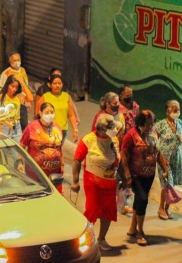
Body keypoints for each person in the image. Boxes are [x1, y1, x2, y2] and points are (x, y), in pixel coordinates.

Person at [71, 114, 122, 251]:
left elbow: (118, 159)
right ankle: (84, 239)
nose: (114, 130)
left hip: (110, 182)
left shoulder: (114, 139)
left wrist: (123, 176)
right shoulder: (88, 140)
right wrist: (75, 181)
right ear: (102, 128)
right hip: (93, 181)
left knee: (108, 210)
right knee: (92, 208)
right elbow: (77, 160)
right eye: (110, 127)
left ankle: (101, 239)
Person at [122, 110, 169, 246]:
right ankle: (140, 232)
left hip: (149, 174)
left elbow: (157, 152)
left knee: (139, 200)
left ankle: (132, 228)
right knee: (143, 199)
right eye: (147, 124)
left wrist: (165, 169)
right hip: (136, 174)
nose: (149, 127)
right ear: (140, 123)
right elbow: (124, 155)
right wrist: (127, 175)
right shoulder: (131, 135)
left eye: (151, 124)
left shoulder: (153, 134)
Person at [20, 102, 64, 192]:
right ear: (40, 113)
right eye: (47, 112)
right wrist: (19, 162)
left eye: (52, 112)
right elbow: (22, 145)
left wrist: (62, 164)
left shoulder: (57, 127)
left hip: (54, 173)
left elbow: (60, 148)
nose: (50, 115)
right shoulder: (31, 127)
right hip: (35, 173)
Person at [154, 100, 182, 220]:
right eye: (175, 109)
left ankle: (166, 208)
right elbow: (155, 141)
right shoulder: (160, 125)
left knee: (172, 184)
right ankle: (161, 207)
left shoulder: (179, 123)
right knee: (166, 184)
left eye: (178, 109)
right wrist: (159, 157)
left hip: (176, 159)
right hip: (164, 159)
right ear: (168, 111)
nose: (177, 112)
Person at [36, 75, 78, 142]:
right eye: (55, 83)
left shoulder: (67, 97)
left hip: (63, 130)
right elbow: (38, 114)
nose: (57, 86)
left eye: (59, 83)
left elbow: (71, 115)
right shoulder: (45, 97)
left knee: (59, 148)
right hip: (48, 130)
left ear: (62, 84)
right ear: (50, 85)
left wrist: (75, 130)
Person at [0, 52, 33, 130]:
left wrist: (28, 101)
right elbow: (1, 89)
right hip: (10, 103)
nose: (17, 62)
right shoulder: (6, 73)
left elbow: (26, 86)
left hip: (22, 102)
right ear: (10, 61)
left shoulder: (23, 70)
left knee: (24, 125)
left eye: (19, 60)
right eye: (15, 60)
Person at [0, 75, 24, 142]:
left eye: (16, 87)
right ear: (7, 85)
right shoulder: (0, 97)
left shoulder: (18, 97)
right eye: (12, 86)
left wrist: (22, 82)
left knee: (17, 147)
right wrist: (0, 132)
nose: (14, 89)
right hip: (5, 126)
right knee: (5, 148)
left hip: (16, 126)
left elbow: (30, 98)